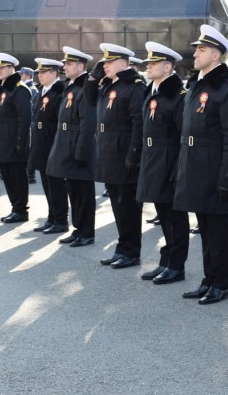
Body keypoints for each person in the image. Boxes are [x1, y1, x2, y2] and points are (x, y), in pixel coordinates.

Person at [174, 24, 228, 305]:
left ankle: (220, 283)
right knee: (203, 226)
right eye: (196, 49)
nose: (195, 53)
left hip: (215, 169)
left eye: (201, 50)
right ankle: (208, 279)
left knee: (216, 228)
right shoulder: (197, 85)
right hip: (194, 167)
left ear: (216, 56)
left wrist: (227, 176)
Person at [136, 42, 190, 284]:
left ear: (168, 67)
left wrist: (178, 167)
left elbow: (182, 136)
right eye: (148, 62)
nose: (149, 66)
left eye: (154, 63)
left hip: (168, 159)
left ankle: (176, 265)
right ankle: (166, 260)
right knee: (162, 212)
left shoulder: (178, 95)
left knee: (174, 216)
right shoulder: (153, 90)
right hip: (153, 157)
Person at [91, 43, 146, 267]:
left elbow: (138, 124)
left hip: (124, 155)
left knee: (129, 207)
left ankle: (131, 251)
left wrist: (133, 155)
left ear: (123, 63)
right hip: (109, 154)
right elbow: (89, 99)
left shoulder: (134, 87)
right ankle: (122, 248)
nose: (105, 66)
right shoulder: (110, 85)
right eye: (103, 62)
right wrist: (93, 77)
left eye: (109, 62)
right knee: (117, 205)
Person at [47, 47, 98, 245]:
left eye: (68, 64)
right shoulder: (71, 86)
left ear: (80, 66)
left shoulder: (85, 87)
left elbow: (87, 123)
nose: (64, 67)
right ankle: (78, 229)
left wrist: (81, 152)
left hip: (78, 147)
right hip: (67, 145)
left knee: (84, 193)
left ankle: (87, 232)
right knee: (74, 192)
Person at [0, 53, 32, 223]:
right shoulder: (3, 88)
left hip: (13, 142)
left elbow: (24, 119)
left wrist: (21, 143)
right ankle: (15, 207)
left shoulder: (19, 90)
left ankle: (21, 210)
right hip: (2, 142)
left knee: (17, 177)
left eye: (1, 68)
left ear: (10, 69)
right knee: (7, 176)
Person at [29, 58, 69, 235]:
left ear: (54, 73)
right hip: (41, 144)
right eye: (38, 72)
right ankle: (52, 217)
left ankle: (61, 220)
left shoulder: (59, 92)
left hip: (53, 142)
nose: (40, 75)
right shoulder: (42, 91)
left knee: (56, 184)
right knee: (47, 183)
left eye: (43, 72)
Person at [20, 66, 39, 185]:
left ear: (27, 75)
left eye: (22, 74)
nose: (21, 76)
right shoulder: (29, 88)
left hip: (31, 122)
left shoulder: (31, 89)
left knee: (30, 149)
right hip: (30, 122)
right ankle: (30, 174)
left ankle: (31, 175)